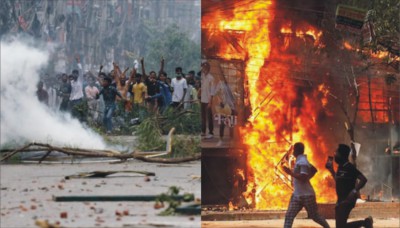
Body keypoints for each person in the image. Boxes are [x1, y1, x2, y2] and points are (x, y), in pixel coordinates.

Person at [282, 142, 330, 228]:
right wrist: (307, 177)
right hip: (297, 195)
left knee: (315, 216)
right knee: (289, 216)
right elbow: (314, 170)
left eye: (293, 150)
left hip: (307, 195)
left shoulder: (302, 162)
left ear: (295, 151)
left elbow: (303, 177)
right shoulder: (301, 161)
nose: (292, 152)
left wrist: (290, 173)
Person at [326, 144, 373, 228]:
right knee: (341, 226)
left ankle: (365, 223)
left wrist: (354, 191)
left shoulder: (349, 167)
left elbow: (363, 179)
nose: (335, 154)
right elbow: (338, 180)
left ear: (342, 155)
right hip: (340, 200)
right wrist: (331, 170)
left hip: (347, 200)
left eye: (336, 152)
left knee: (340, 226)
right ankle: (366, 223)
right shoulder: (340, 167)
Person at [200, 61, 215, 139]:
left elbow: (212, 91)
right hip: (202, 99)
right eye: (202, 67)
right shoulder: (202, 77)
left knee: (209, 116)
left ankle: (211, 132)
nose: (203, 69)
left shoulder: (211, 78)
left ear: (208, 68)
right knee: (203, 117)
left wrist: (210, 102)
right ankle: (203, 131)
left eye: (204, 67)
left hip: (208, 100)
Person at [69, 57, 86, 122]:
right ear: (72, 74)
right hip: (72, 100)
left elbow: (81, 70)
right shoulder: (71, 82)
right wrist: (70, 99)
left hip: (79, 100)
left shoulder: (80, 80)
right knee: (72, 113)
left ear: (78, 74)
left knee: (78, 113)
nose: (75, 75)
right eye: (73, 73)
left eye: (76, 73)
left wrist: (78, 62)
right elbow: (72, 92)